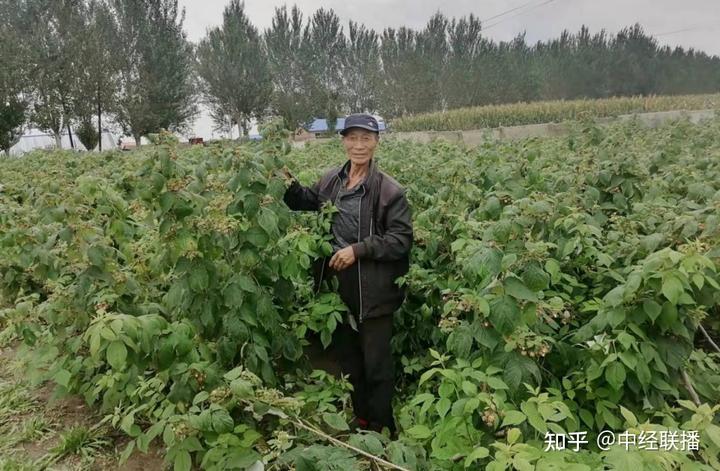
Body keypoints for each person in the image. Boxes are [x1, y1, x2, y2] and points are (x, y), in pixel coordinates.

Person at [282, 113, 413, 436]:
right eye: (352, 138)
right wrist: (285, 183)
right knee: (350, 359)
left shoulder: (389, 191)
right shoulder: (332, 180)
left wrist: (358, 250)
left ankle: (384, 427)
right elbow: (308, 201)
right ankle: (363, 419)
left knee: (377, 364)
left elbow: (400, 240)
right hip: (338, 290)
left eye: (366, 138)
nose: (358, 145)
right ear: (343, 141)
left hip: (375, 291)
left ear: (376, 142)